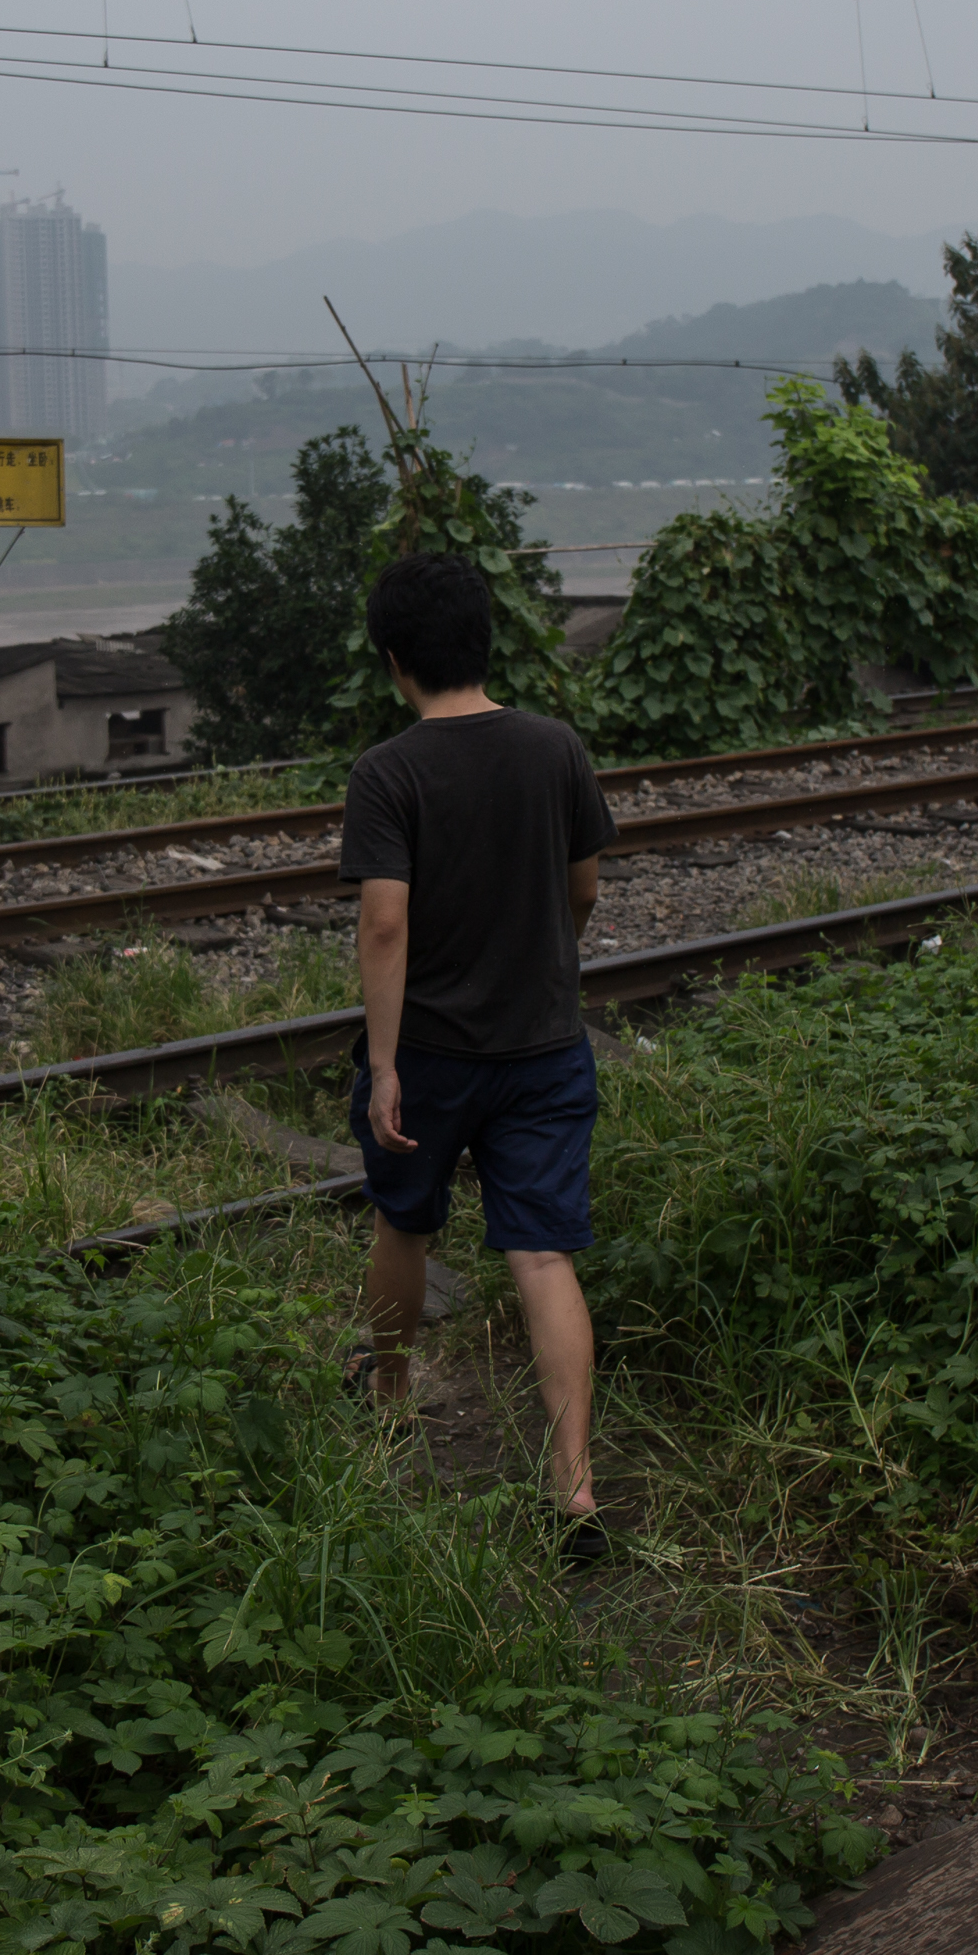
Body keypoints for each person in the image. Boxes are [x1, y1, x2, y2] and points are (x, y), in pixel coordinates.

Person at [333, 549, 619, 1558]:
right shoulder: (555, 750)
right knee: (542, 1254)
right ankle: (575, 1486)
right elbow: (582, 890)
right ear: (485, 643)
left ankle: (394, 1391)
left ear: (396, 661)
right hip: (543, 1048)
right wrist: (545, 969)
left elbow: (382, 929)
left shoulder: (389, 772)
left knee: (403, 1225)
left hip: (431, 1057)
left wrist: (387, 1063)